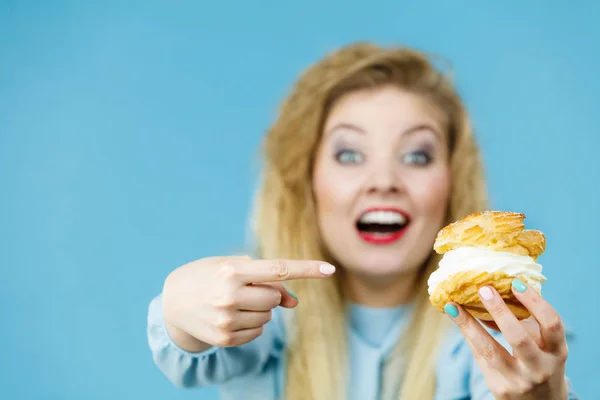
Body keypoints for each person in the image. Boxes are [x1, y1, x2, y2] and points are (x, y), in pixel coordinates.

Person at [146, 42, 579, 400]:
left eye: (416, 155)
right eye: (349, 154)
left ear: (451, 183)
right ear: (307, 180)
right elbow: (193, 349)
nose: (384, 180)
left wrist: (543, 394)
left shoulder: (501, 330)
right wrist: (179, 311)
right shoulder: (265, 316)